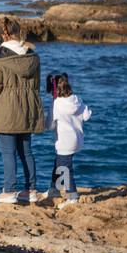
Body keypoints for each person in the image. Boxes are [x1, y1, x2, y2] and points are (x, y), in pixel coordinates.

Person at [0, 17, 44, 204]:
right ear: (19, 32)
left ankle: (9, 190)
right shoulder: (33, 57)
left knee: (8, 152)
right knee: (26, 151)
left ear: (4, 34)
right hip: (28, 108)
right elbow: (36, 86)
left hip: (6, 110)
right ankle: (30, 190)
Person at [46, 73, 91, 208]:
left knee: (65, 169)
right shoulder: (77, 99)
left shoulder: (56, 104)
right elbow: (87, 115)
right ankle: (54, 189)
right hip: (77, 139)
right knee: (59, 163)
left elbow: (49, 126)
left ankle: (72, 197)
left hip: (64, 142)